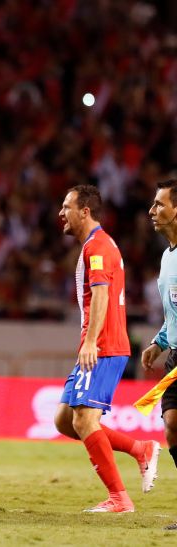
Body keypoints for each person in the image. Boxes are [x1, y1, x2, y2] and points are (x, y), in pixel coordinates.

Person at [52, 184, 158, 513]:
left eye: (67, 207)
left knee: (85, 422)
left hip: (103, 345)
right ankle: (140, 449)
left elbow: (101, 295)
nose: (61, 213)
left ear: (85, 211)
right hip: (102, 343)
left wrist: (89, 341)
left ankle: (118, 498)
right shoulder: (98, 245)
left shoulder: (97, 247)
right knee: (64, 420)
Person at [141, 179, 177, 529]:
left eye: (159, 204)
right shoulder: (167, 259)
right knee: (172, 425)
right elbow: (173, 315)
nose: (152, 211)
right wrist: (159, 342)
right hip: (176, 357)